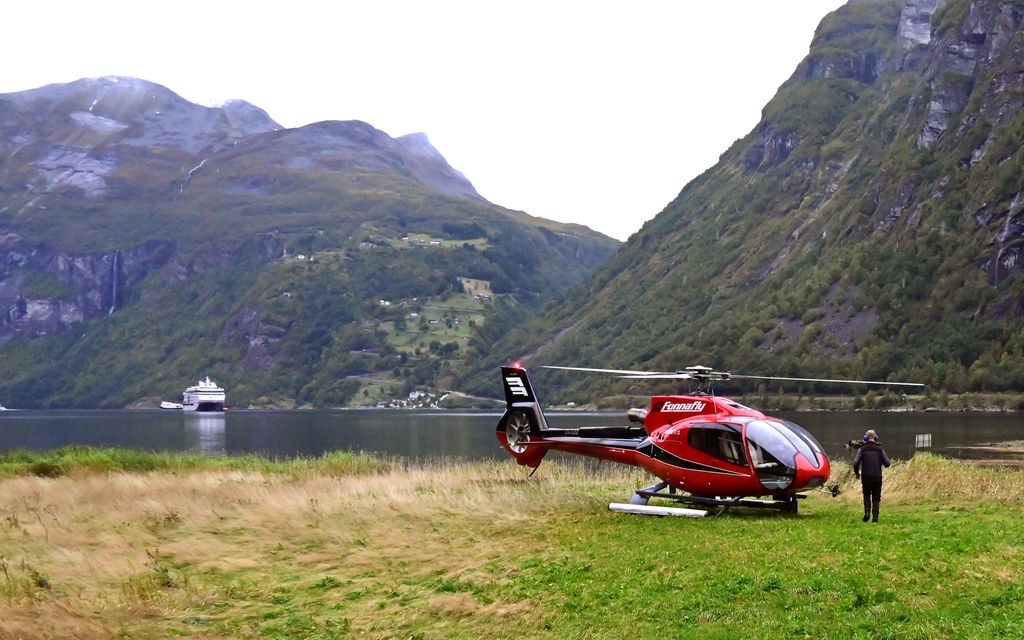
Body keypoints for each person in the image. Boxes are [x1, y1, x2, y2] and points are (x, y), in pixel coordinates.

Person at [852, 429, 890, 522]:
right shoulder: (880, 449)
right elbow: (887, 463)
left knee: (866, 495)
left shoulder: (862, 449)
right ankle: (875, 518)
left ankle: (867, 513)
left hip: (866, 477)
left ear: (865, 438)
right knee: (876, 497)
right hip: (877, 477)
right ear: (875, 437)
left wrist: (857, 473)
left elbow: (856, 462)